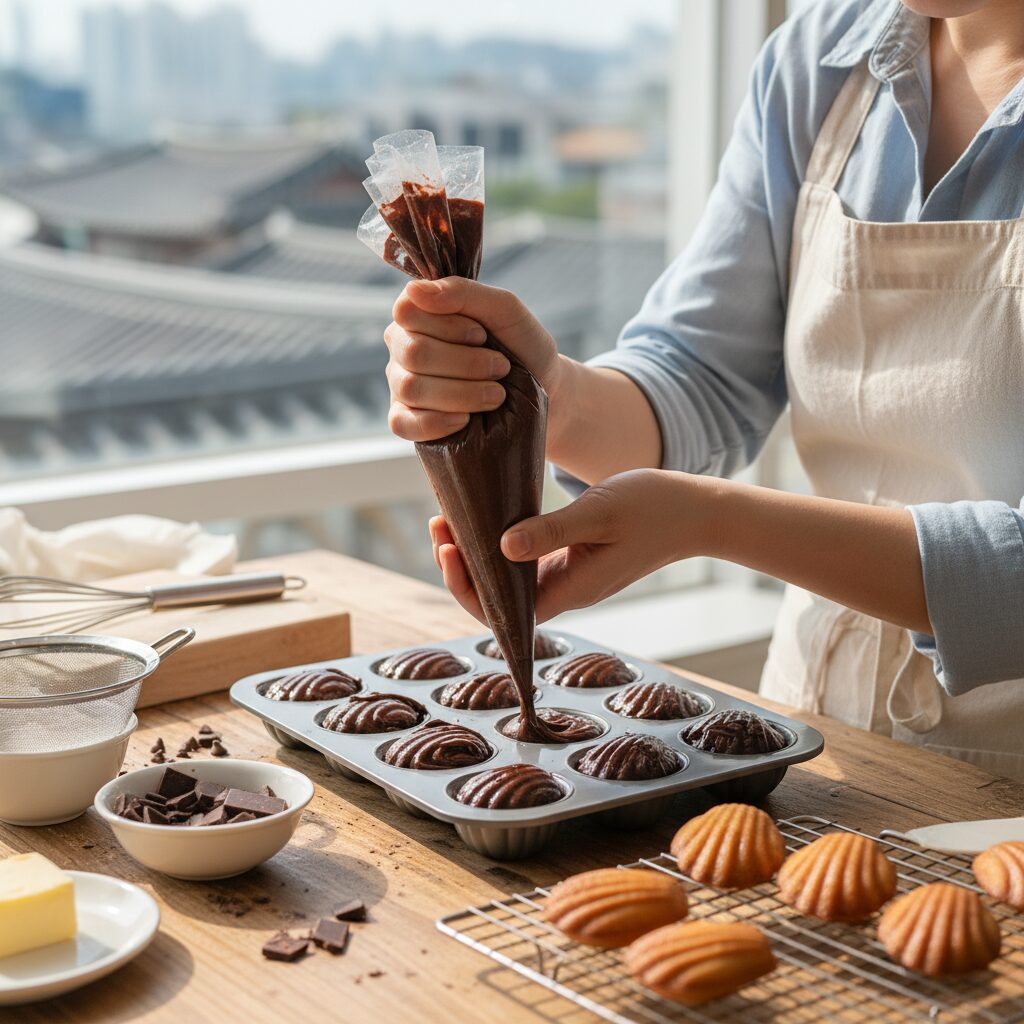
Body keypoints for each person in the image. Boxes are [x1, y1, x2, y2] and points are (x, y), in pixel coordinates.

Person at [382, 0, 1024, 781]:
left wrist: (709, 520)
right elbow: (703, 375)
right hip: (819, 738)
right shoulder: (820, 60)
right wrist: (545, 395)